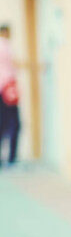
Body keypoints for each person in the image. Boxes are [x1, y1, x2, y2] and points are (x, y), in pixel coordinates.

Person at [0, 24, 21, 169]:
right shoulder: (5, 45)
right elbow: (15, 63)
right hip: (7, 88)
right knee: (14, 123)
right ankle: (12, 157)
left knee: (2, 124)